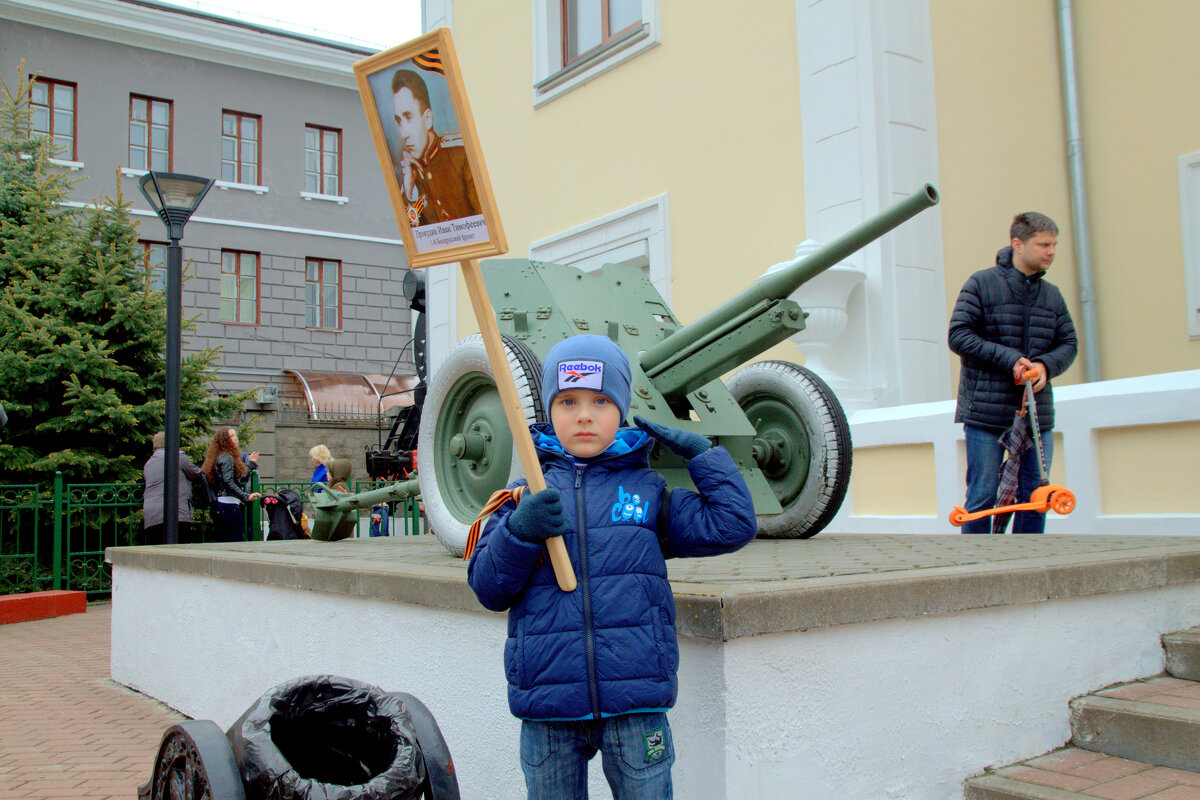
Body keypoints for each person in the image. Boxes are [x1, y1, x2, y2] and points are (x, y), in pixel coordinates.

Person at [466, 335, 758, 799]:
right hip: (548, 708)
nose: (584, 414)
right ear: (548, 409)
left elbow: (732, 524)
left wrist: (705, 456)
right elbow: (487, 588)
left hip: (636, 705)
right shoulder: (524, 495)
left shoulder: (646, 491)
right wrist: (519, 532)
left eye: (601, 400)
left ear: (621, 408)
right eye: (568, 401)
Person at [948, 212, 1078, 534]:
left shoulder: (1052, 295)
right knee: (982, 497)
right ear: (1017, 244)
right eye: (1043, 244)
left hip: (1037, 415)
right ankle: (975, 570)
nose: (1051, 252)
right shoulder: (981, 283)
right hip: (985, 413)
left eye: (1054, 245)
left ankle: (1028, 568)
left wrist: (1045, 366)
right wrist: (1012, 359)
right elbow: (959, 335)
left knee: (1036, 497)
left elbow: (1069, 343)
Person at [391, 67, 482, 225]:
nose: (404, 133)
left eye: (409, 117)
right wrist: (410, 192)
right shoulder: (410, 174)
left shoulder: (461, 154)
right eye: (399, 121)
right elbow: (415, 242)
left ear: (428, 119)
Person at [142, 431, 204, 545]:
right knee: (179, 553)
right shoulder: (177, 456)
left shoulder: (148, 464)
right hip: (177, 513)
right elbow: (196, 474)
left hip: (151, 516)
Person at [201, 427, 261, 542]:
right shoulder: (226, 457)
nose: (236, 438)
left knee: (226, 541)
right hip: (228, 505)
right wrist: (245, 496)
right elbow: (228, 481)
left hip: (224, 505)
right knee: (235, 541)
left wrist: (251, 463)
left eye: (235, 435)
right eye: (232, 436)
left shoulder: (221, 456)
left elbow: (237, 477)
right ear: (225, 440)